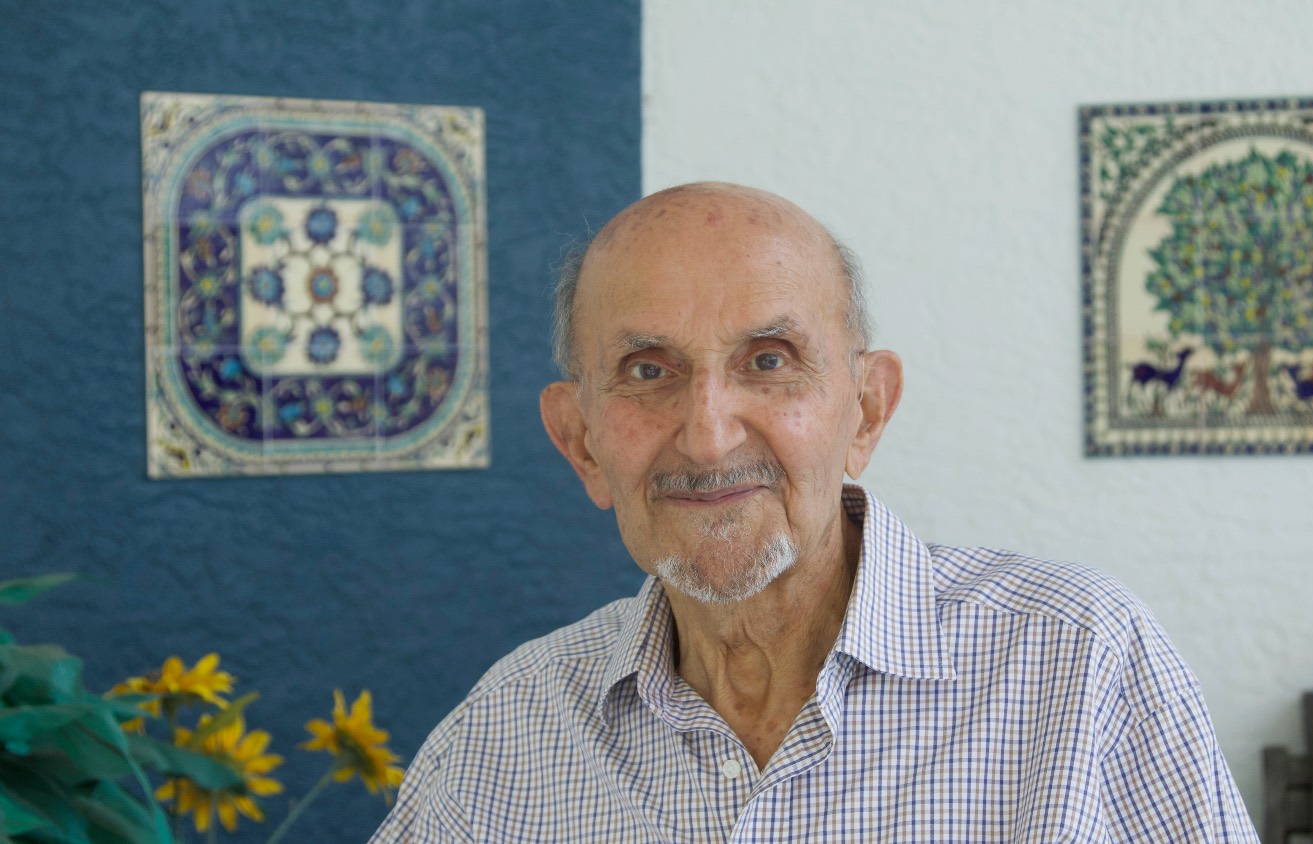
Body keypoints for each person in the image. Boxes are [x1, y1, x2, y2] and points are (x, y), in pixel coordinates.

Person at [370, 182, 1258, 842]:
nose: (709, 437)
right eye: (649, 371)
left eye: (768, 360)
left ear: (866, 412)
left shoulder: (1079, 661)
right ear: (582, 443)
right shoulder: (501, 738)